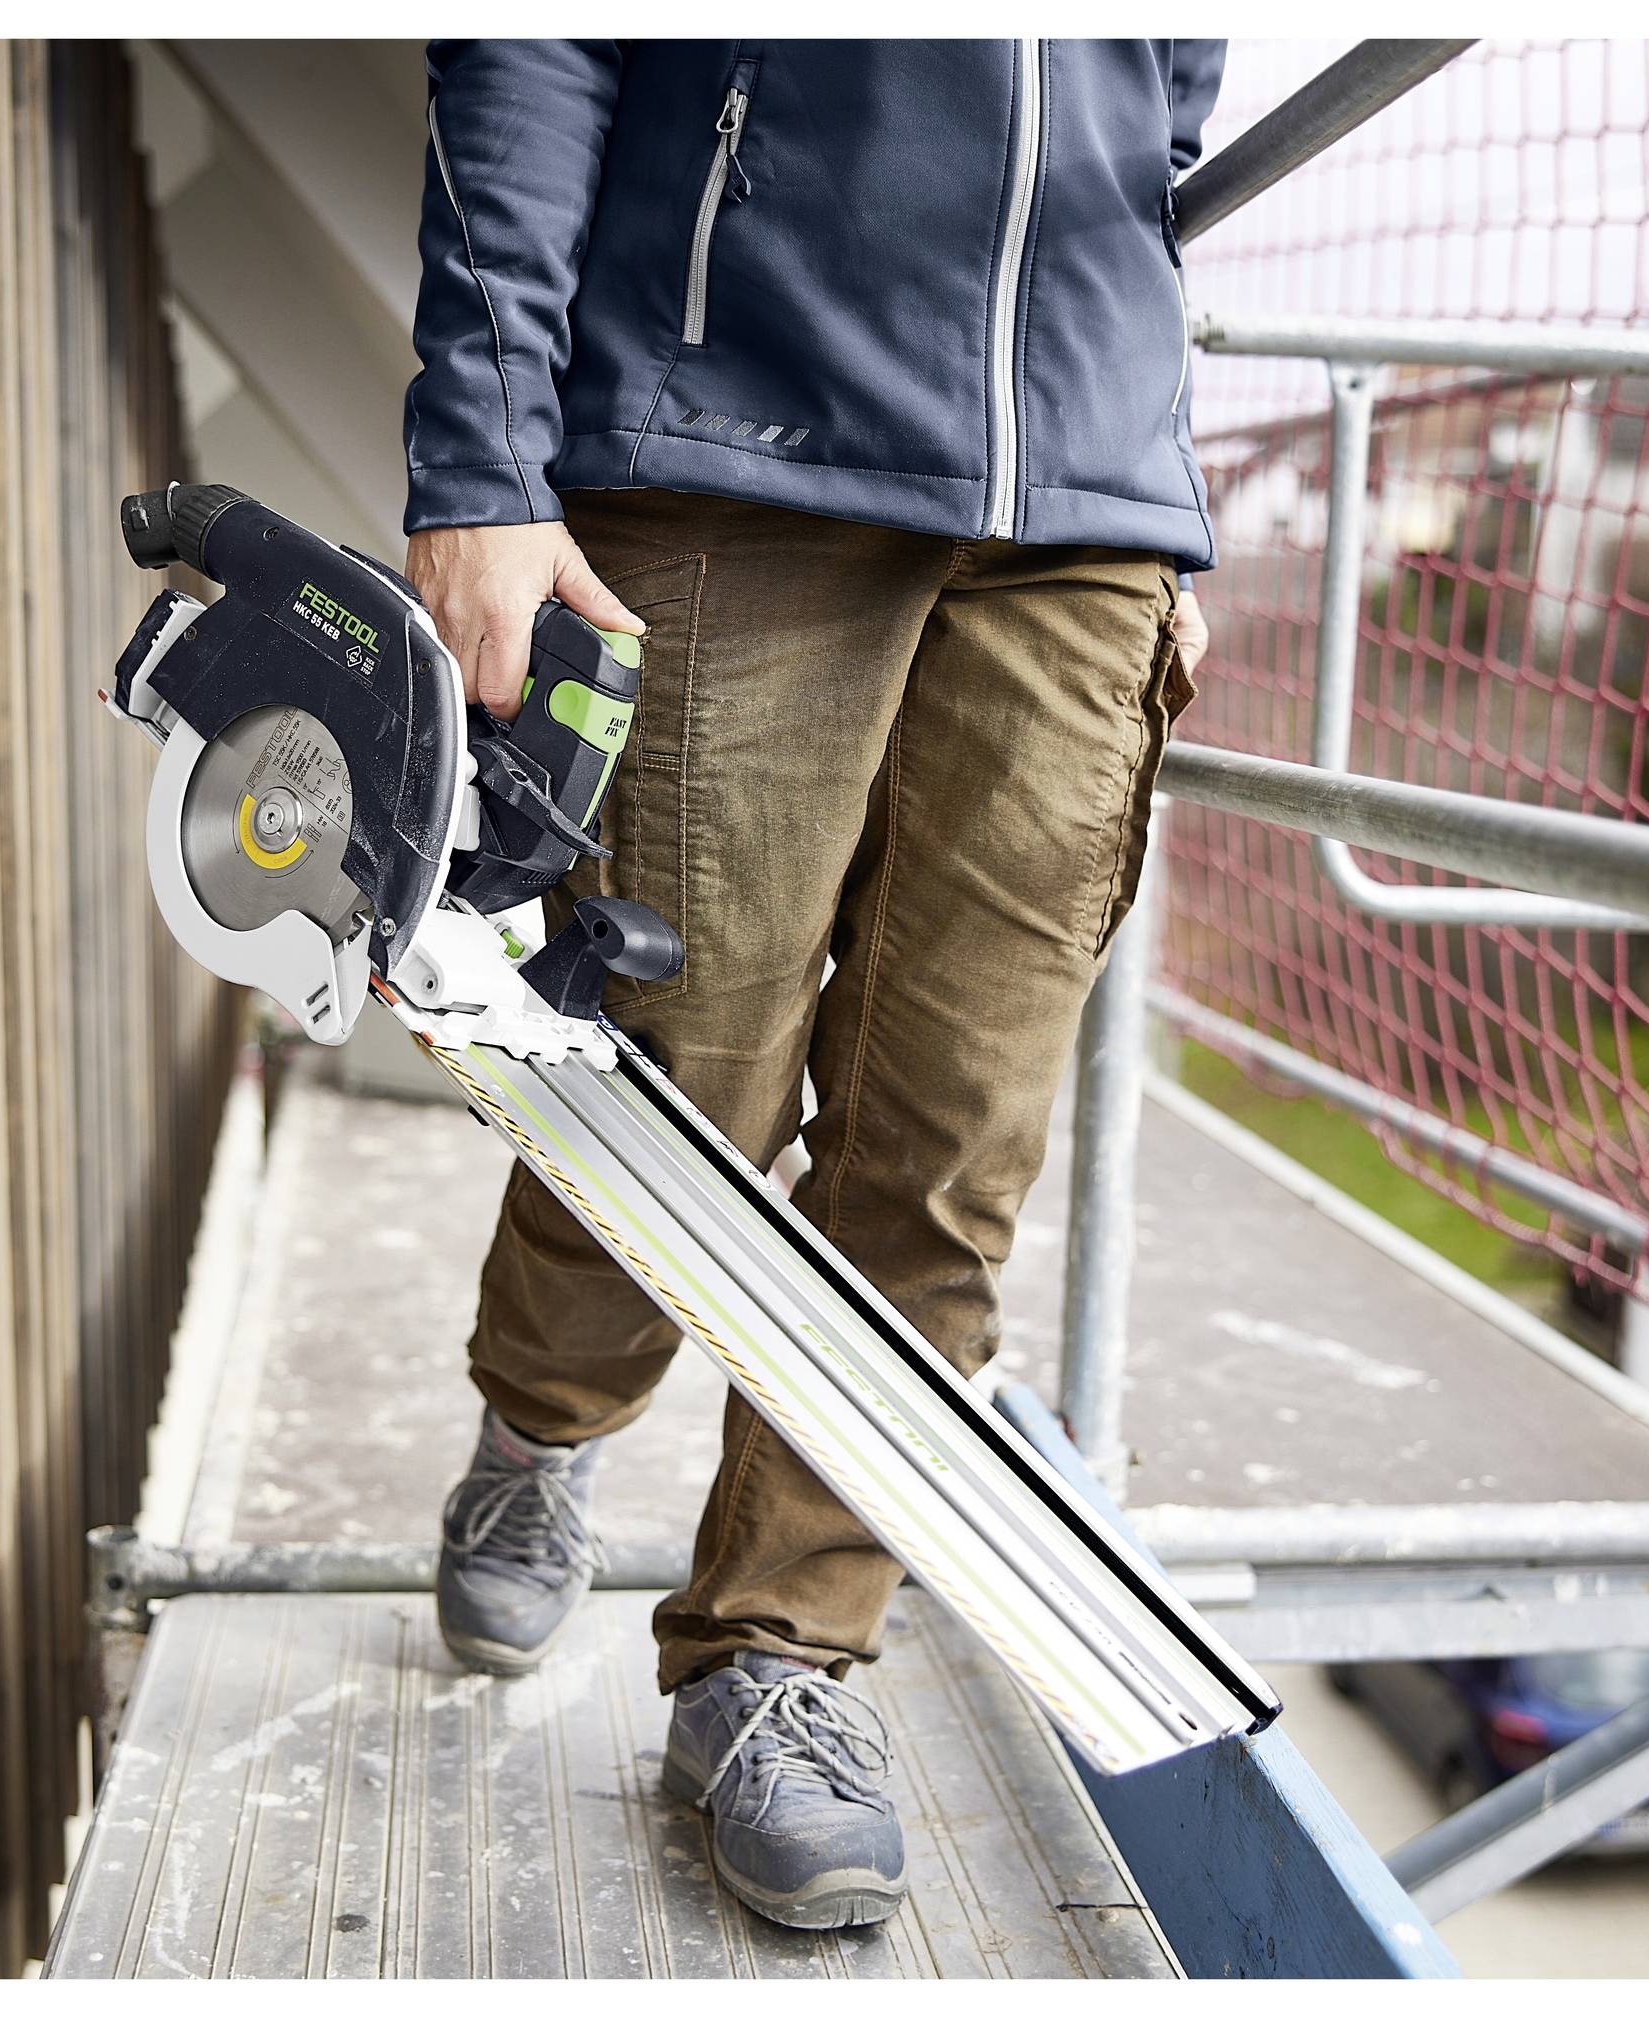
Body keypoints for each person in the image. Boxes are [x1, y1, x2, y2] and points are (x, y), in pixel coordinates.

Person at [400, 38, 1223, 1932]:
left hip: (1083, 510)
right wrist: (481, 455)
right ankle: (542, 1416)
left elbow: (1157, 124)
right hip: (740, 427)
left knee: (951, 1138)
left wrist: (1155, 466)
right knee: (679, 1077)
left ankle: (780, 1654)